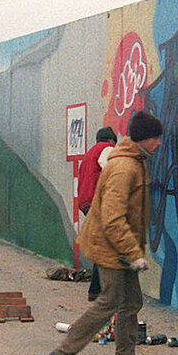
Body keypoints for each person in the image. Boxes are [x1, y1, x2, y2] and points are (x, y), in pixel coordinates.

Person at [49, 110, 163, 355]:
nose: (159, 143)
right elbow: (113, 218)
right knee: (109, 302)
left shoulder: (135, 160)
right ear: (144, 139)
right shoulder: (125, 167)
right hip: (111, 247)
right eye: (156, 138)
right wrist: (134, 254)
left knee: (131, 302)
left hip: (120, 248)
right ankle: (64, 352)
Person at [77, 126, 117, 300]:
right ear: (111, 140)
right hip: (98, 204)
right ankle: (98, 291)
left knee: (102, 244)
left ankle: (95, 290)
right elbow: (113, 170)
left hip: (86, 203)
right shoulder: (106, 149)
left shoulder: (89, 154)